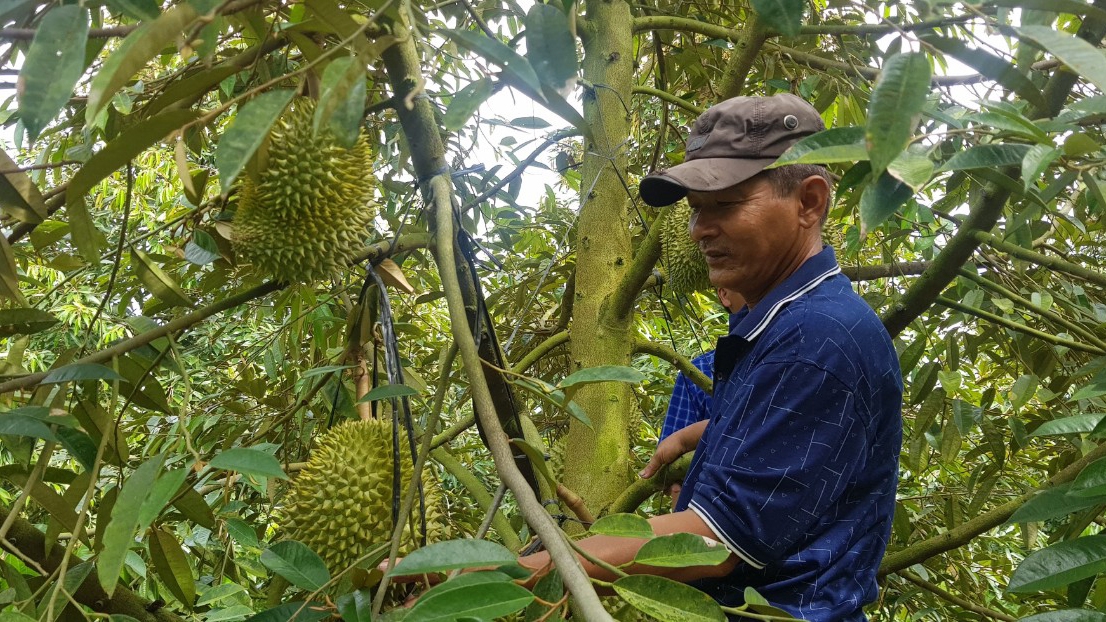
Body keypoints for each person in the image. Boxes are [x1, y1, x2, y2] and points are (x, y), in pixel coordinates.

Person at [517, 93, 904, 622]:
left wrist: (511, 575)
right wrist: (697, 433)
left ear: (809, 203)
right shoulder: (779, 324)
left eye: (725, 205)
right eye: (697, 210)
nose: (700, 230)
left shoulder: (817, 339)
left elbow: (716, 541)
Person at [659, 287, 741, 504]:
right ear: (725, 294)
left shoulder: (793, 359)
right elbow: (673, 470)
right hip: (707, 513)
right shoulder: (698, 372)